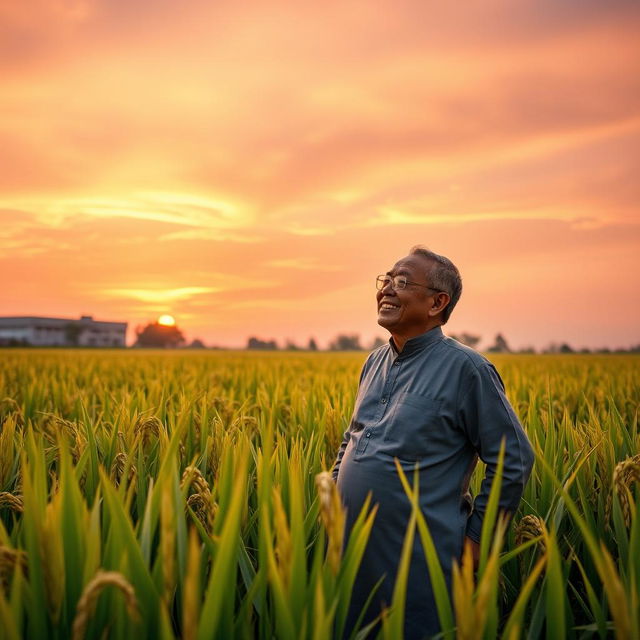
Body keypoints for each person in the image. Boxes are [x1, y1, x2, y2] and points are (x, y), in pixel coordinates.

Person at [332, 246, 534, 639]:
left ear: (437, 302)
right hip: (352, 554)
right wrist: (335, 494)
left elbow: (514, 458)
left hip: (420, 562)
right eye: (386, 279)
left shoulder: (467, 369)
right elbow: (352, 435)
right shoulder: (374, 362)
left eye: (402, 281)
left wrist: (477, 540)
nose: (387, 289)